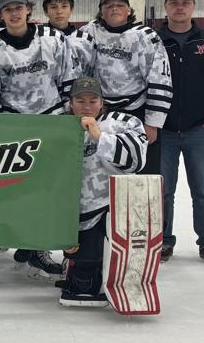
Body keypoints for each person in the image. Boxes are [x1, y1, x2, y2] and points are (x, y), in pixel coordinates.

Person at [0, 0, 75, 283]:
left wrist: (66, 123)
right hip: (13, 127)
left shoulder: (54, 39)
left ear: (29, 9)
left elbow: (68, 81)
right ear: (0, 13)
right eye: (8, 9)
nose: (14, 13)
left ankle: (37, 251)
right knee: (2, 192)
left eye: (19, 7)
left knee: (45, 193)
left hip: (51, 123)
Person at [155, 0, 204, 264]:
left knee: (203, 190)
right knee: (163, 191)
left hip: (199, 130)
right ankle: (163, 240)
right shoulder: (153, 40)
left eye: (185, 2)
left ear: (193, 6)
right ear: (166, 7)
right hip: (164, 131)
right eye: (174, 2)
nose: (180, 7)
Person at [61, 76, 148, 306]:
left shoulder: (123, 122)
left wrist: (99, 136)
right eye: (80, 101)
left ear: (102, 103)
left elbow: (137, 161)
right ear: (71, 103)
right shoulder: (58, 127)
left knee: (100, 266)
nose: (87, 106)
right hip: (72, 210)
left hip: (111, 207)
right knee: (83, 278)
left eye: (93, 101)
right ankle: (72, 263)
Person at [80, 0, 172, 176]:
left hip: (137, 112)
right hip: (101, 113)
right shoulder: (90, 32)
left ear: (129, 10)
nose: (114, 9)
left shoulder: (145, 36)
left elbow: (160, 79)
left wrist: (153, 122)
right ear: (101, 11)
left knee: (143, 171)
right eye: (109, 6)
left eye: (120, 5)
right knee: (101, 167)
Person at [41, 0, 95, 77]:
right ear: (46, 11)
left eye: (64, 6)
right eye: (54, 7)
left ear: (71, 9)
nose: (59, 11)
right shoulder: (39, 40)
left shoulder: (86, 40)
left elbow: (91, 73)